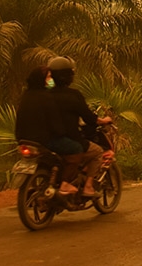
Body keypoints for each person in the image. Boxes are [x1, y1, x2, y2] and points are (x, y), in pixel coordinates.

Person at [47, 55, 112, 198]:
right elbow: (89, 118)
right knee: (97, 152)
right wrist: (103, 120)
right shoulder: (73, 95)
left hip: (46, 140)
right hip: (69, 139)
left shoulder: (45, 95)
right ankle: (88, 187)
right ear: (69, 76)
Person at [14, 66, 79, 195]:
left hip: (23, 139)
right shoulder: (46, 97)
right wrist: (64, 133)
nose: (51, 80)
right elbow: (55, 124)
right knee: (76, 149)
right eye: (48, 77)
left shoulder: (26, 96)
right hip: (43, 141)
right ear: (41, 80)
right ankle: (65, 183)